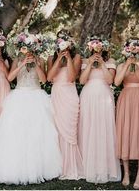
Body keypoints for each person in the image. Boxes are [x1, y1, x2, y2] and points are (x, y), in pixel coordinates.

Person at [0, 33, 62, 185]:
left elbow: (44, 79)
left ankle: (39, 168)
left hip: (36, 97)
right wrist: (22, 63)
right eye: (26, 48)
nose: (28, 50)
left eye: (31, 48)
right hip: (19, 97)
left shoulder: (40, 60)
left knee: (37, 133)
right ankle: (14, 168)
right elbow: (10, 78)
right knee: (16, 132)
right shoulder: (17, 60)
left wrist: (36, 64)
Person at [79, 37, 121, 183]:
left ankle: (106, 167)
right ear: (90, 48)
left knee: (104, 128)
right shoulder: (85, 62)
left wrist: (102, 64)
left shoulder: (111, 62)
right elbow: (82, 81)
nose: (96, 49)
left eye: (99, 47)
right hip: (88, 96)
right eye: (94, 47)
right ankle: (87, 166)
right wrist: (90, 64)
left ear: (103, 48)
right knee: (88, 128)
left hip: (104, 95)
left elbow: (110, 81)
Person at [115, 39, 139, 189]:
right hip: (126, 100)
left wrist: (138, 63)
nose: (133, 51)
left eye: (136, 48)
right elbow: (117, 82)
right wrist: (127, 64)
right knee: (126, 132)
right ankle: (126, 172)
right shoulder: (121, 65)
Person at [47, 31, 83, 180]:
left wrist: (68, 59)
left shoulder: (77, 57)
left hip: (69, 94)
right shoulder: (50, 58)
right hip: (56, 94)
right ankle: (56, 166)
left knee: (69, 129)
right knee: (56, 129)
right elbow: (49, 78)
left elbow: (71, 77)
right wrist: (58, 59)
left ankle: (70, 166)